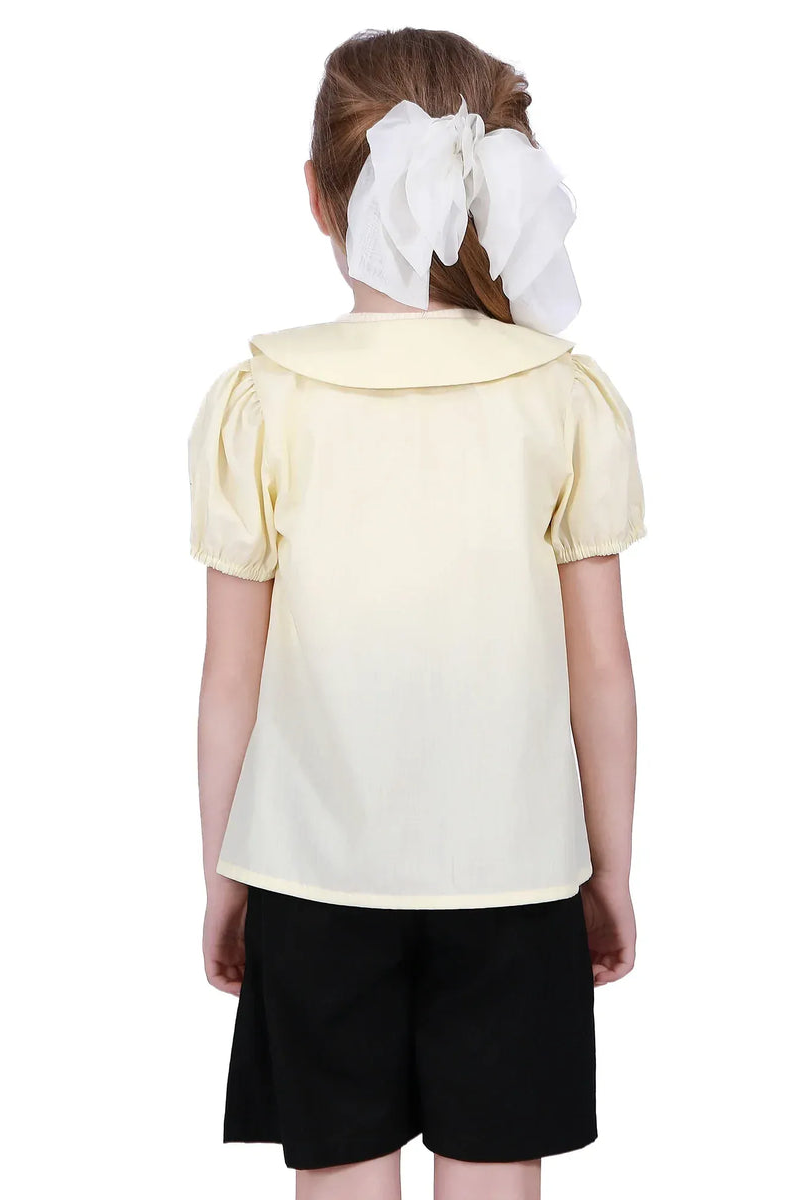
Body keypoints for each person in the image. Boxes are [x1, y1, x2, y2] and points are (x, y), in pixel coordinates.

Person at [188, 27, 647, 1200]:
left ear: (317, 195)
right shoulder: (562, 396)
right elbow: (601, 670)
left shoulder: (262, 400)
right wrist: (609, 869)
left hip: (312, 876)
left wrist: (226, 878)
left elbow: (231, 677)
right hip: (517, 873)